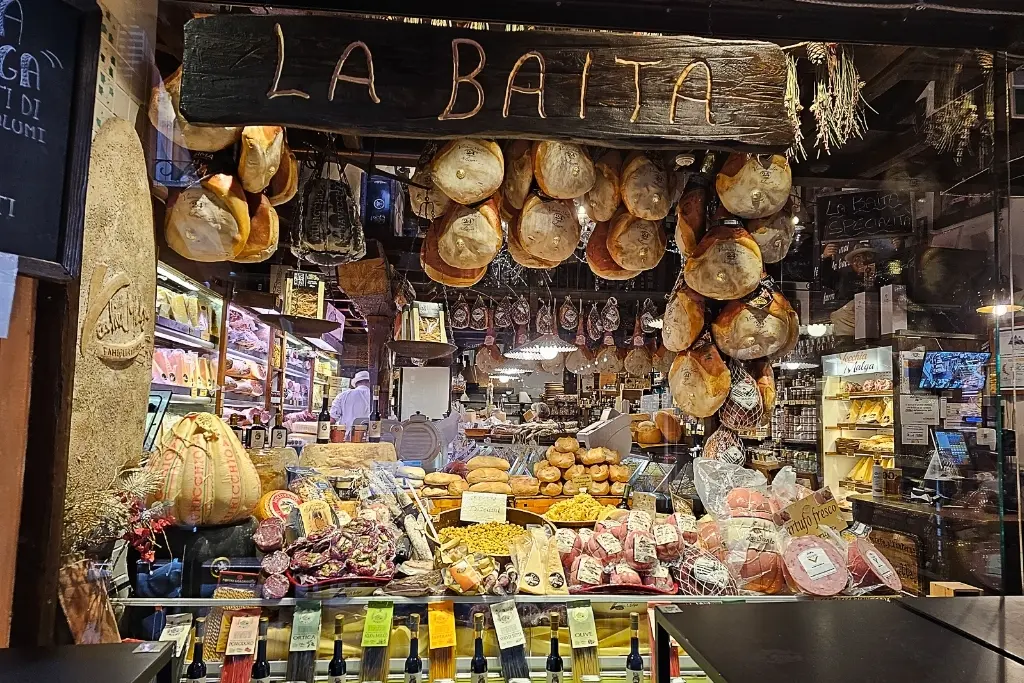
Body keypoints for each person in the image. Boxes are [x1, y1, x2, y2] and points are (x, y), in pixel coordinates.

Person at [330, 370, 372, 438]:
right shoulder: (376, 397)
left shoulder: (343, 395)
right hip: (370, 439)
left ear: (356, 383)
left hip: (347, 439)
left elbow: (332, 419)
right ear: (370, 383)